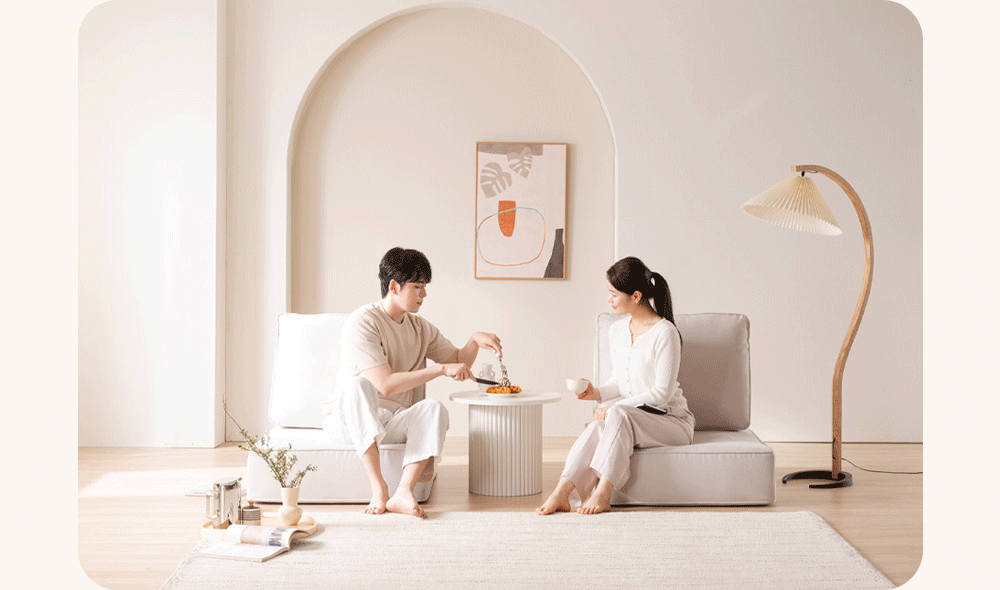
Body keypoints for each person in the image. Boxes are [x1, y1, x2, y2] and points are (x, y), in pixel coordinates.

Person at [322, 247, 502, 518]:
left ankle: (403, 492)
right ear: (394, 287)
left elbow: (457, 360)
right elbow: (385, 384)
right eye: (418, 287)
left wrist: (474, 340)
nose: (424, 294)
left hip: (392, 419)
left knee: (434, 409)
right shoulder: (363, 322)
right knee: (358, 385)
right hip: (350, 421)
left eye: (424, 287)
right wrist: (439, 370)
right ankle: (378, 487)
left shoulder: (419, 327)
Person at [536, 256, 694, 515]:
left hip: (671, 421)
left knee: (616, 412)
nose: (609, 299)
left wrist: (612, 408)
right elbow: (619, 381)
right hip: (633, 419)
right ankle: (563, 492)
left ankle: (603, 493)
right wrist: (596, 392)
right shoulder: (617, 330)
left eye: (613, 294)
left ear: (636, 296)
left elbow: (662, 393)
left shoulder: (665, 333)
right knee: (598, 426)